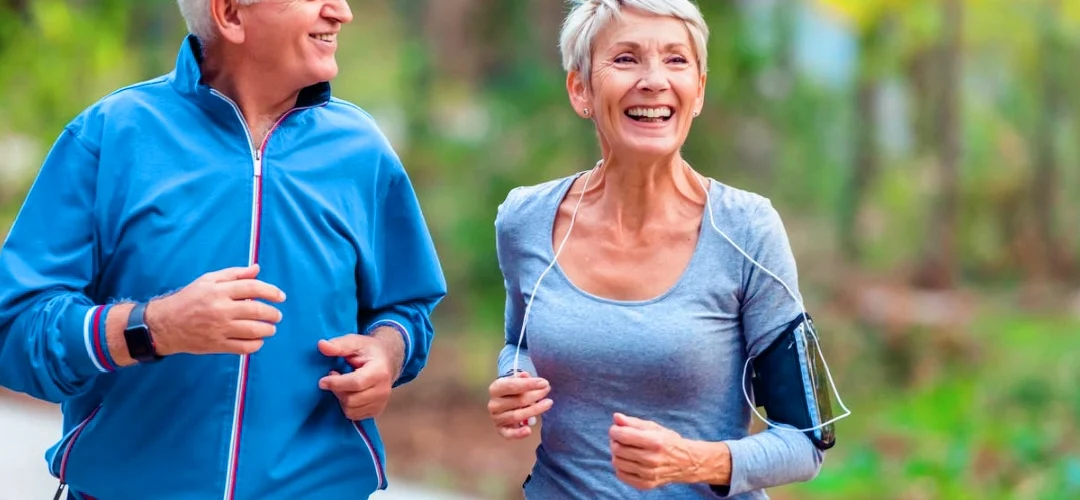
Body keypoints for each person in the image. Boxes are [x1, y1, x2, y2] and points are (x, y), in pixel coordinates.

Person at [0, 1, 446, 499]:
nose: (340, 11)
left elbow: (407, 306)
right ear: (231, 13)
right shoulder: (110, 137)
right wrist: (155, 327)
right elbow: (17, 331)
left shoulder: (362, 150)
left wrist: (387, 351)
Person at [485, 0, 846, 498]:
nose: (654, 80)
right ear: (580, 89)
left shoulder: (748, 229)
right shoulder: (525, 219)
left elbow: (807, 441)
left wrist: (692, 460)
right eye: (626, 58)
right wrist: (514, 379)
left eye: (676, 60)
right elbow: (519, 340)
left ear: (698, 90)